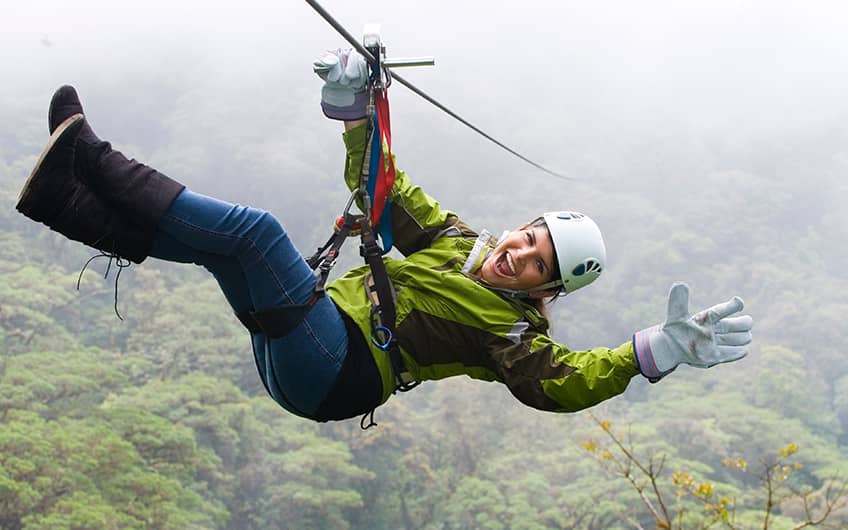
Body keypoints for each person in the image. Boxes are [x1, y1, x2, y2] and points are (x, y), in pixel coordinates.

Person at [16, 51, 752, 423]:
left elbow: (564, 384)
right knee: (223, 248)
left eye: (537, 266)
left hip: (337, 368)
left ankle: (94, 162)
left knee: (254, 234)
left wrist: (649, 353)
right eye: (529, 238)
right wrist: (358, 114)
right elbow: (386, 191)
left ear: (546, 291)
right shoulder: (455, 239)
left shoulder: (510, 331)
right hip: (311, 357)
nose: (519, 255)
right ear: (520, 228)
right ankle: (67, 202)